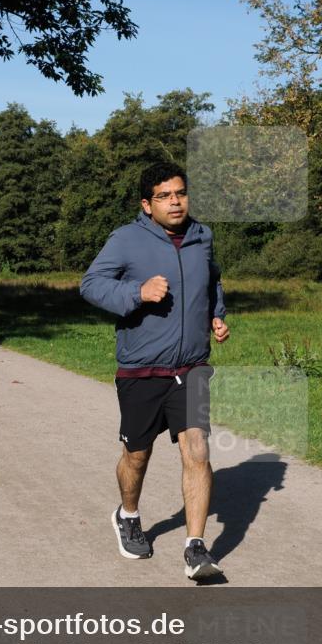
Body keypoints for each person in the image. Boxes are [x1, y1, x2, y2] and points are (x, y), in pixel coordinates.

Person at [80, 162, 230, 581]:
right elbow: (90, 284)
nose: (175, 201)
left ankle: (195, 547)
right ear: (147, 204)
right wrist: (136, 292)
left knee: (197, 450)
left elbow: (212, 280)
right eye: (164, 196)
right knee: (137, 454)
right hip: (141, 369)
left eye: (180, 193)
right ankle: (128, 514)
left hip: (192, 365)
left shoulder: (202, 236)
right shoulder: (126, 240)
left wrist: (216, 314)